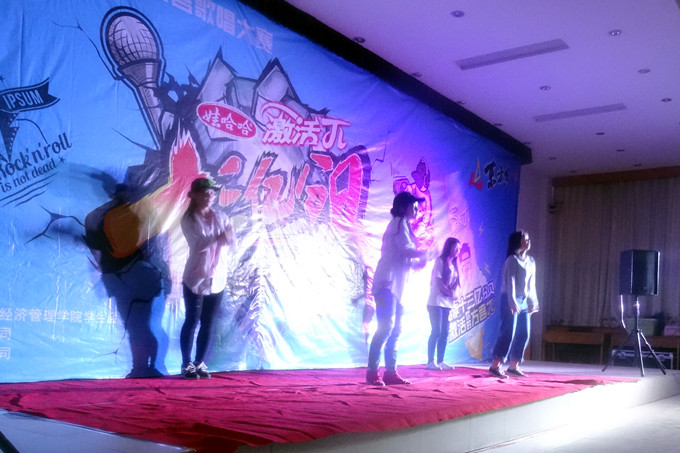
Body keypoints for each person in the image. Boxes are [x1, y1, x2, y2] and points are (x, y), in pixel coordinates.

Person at [366, 191, 430, 386]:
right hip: (387, 283)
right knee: (386, 328)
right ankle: (372, 372)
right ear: (403, 207)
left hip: (398, 286)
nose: (417, 210)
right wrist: (426, 252)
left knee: (395, 329)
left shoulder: (405, 225)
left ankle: (391, 372)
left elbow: (405, 257)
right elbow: (407, 250)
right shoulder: (399, 223)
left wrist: (419, 262)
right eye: (414, 206)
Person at [180, 177, 234, 379]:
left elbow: (231, 241)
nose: (209, 196)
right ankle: (186, 363)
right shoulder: (189, 219)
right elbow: (198, 245)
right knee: (192, 320)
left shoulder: (221, 217)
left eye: (212, 192)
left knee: (208, 322)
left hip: (217, 277)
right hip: (196, 276)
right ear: (194, 195)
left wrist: (229, 237)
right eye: (205, 193)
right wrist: (220, 237)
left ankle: (200, 362)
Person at [489, 230, 539, 378]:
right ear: (518, 241)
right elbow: (509, 282)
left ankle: (513, 366)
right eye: (525, 239)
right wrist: (512, 301)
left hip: (524, 301)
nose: (528, 241)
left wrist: (533, 302)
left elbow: (531, 284)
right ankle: (495, 365)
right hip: (510, 299)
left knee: (524, 333)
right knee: (508, 333)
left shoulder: (531, 261)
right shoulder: (512, 260)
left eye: (529, 239)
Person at [426, 237, 462, 371]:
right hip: (436, 302)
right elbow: (438, 282)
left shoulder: (455, 264)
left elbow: (457, 284)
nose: (458, 251)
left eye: (459, 249)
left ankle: (440, 361)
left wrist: (455, 294)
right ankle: (430, 362)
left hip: (447, 304)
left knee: (445, 333)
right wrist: (450, 293)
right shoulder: (440, 261)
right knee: (436, 331)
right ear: (449, 247)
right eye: (455, 248)